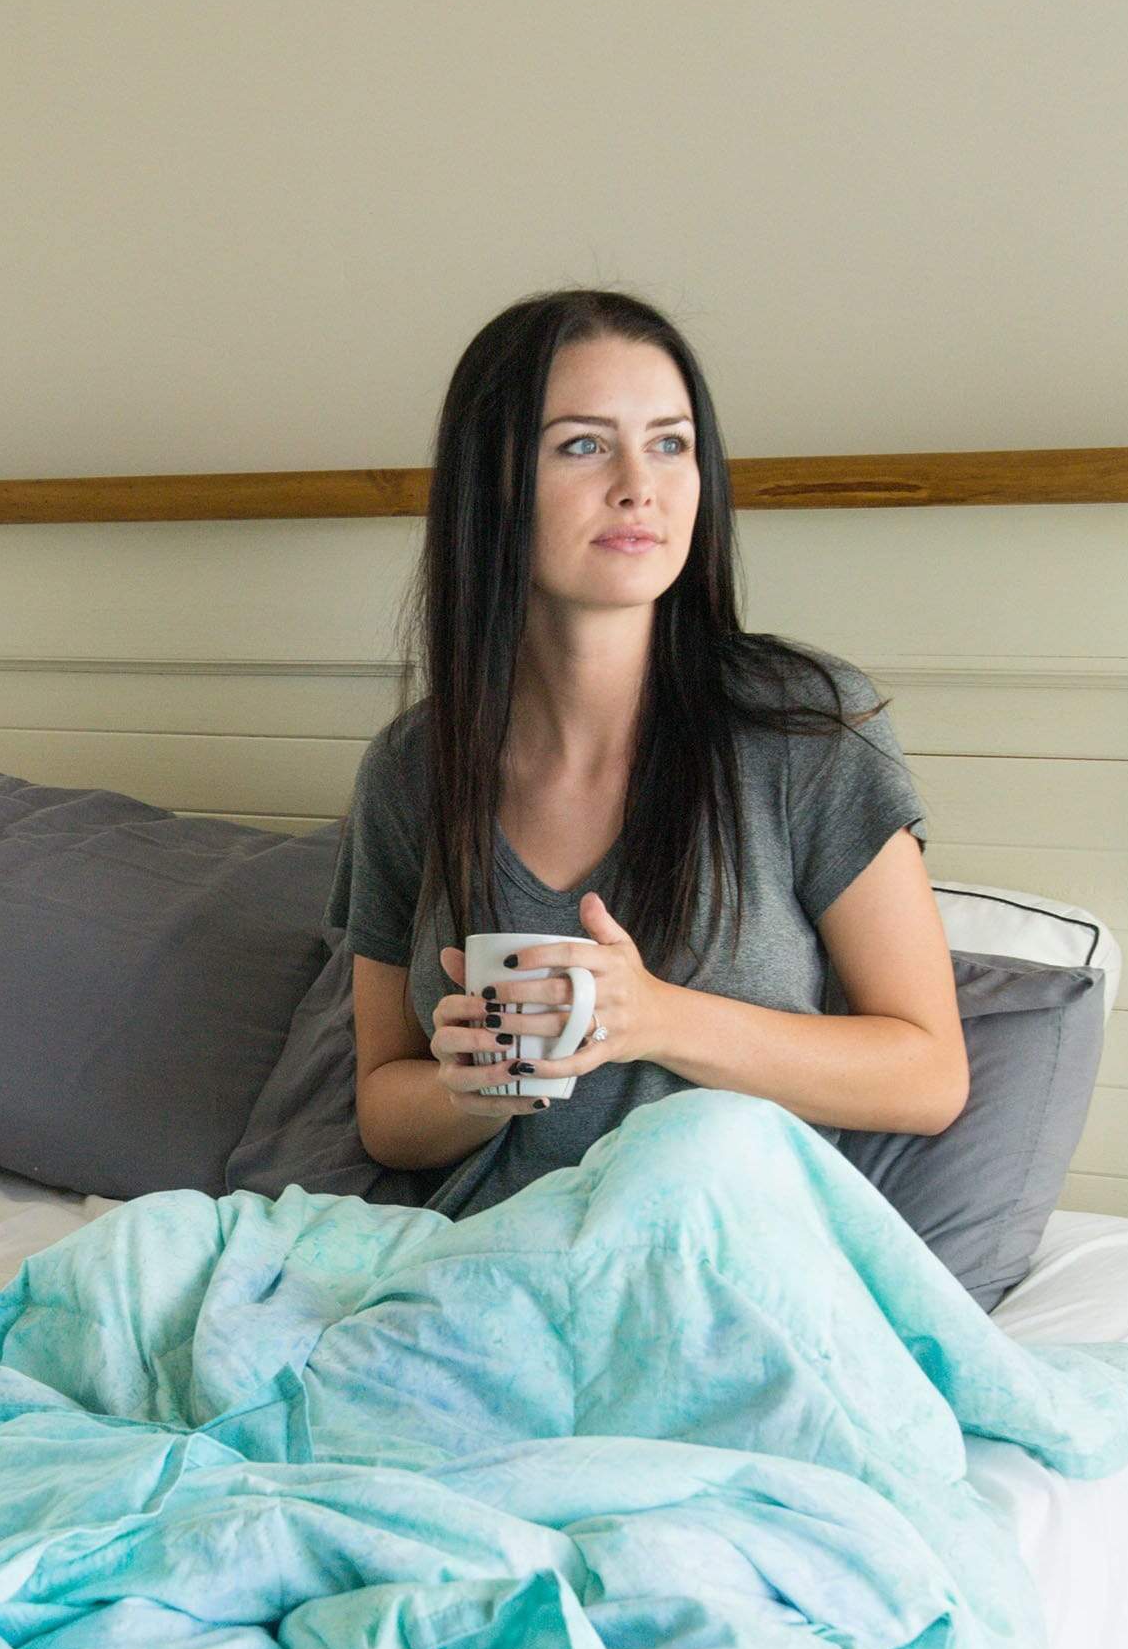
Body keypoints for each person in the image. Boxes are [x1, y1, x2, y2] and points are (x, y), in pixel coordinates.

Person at [324, 286, 969, 1221]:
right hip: (488, 1270)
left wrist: (655, 1018)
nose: (641, 483)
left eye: (670, 442)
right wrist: (468, 1091)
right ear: (492, 485)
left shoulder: (803, 726)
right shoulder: (415, 766)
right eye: (582, 444)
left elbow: (929, 1073)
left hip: (723, 1267)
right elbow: (386, 1111)